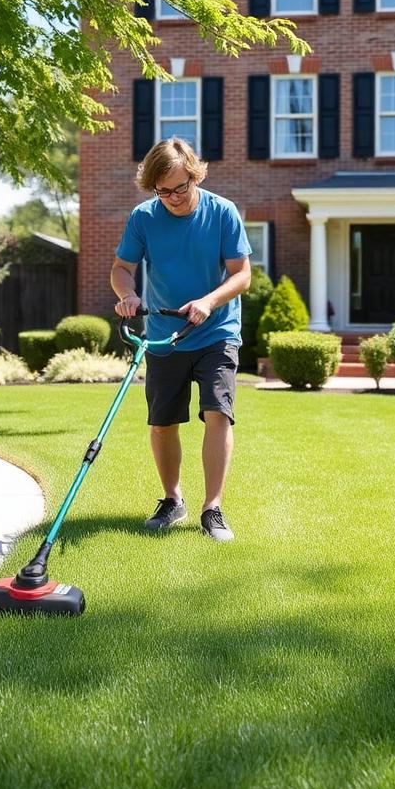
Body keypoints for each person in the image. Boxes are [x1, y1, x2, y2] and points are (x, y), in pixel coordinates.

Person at [111, 137, 252, 542]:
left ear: (195, 175)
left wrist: (209, 301)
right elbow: (122, 267)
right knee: (162, 423)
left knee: (217, 413)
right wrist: (129, 295)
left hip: (216, 331)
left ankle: (213, 508)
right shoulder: (143, 217)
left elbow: (242, 274)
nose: (172, 197)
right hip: (163, 336)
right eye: (162, 191)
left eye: (180, 187)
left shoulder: (222, 212)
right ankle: (173, 500)